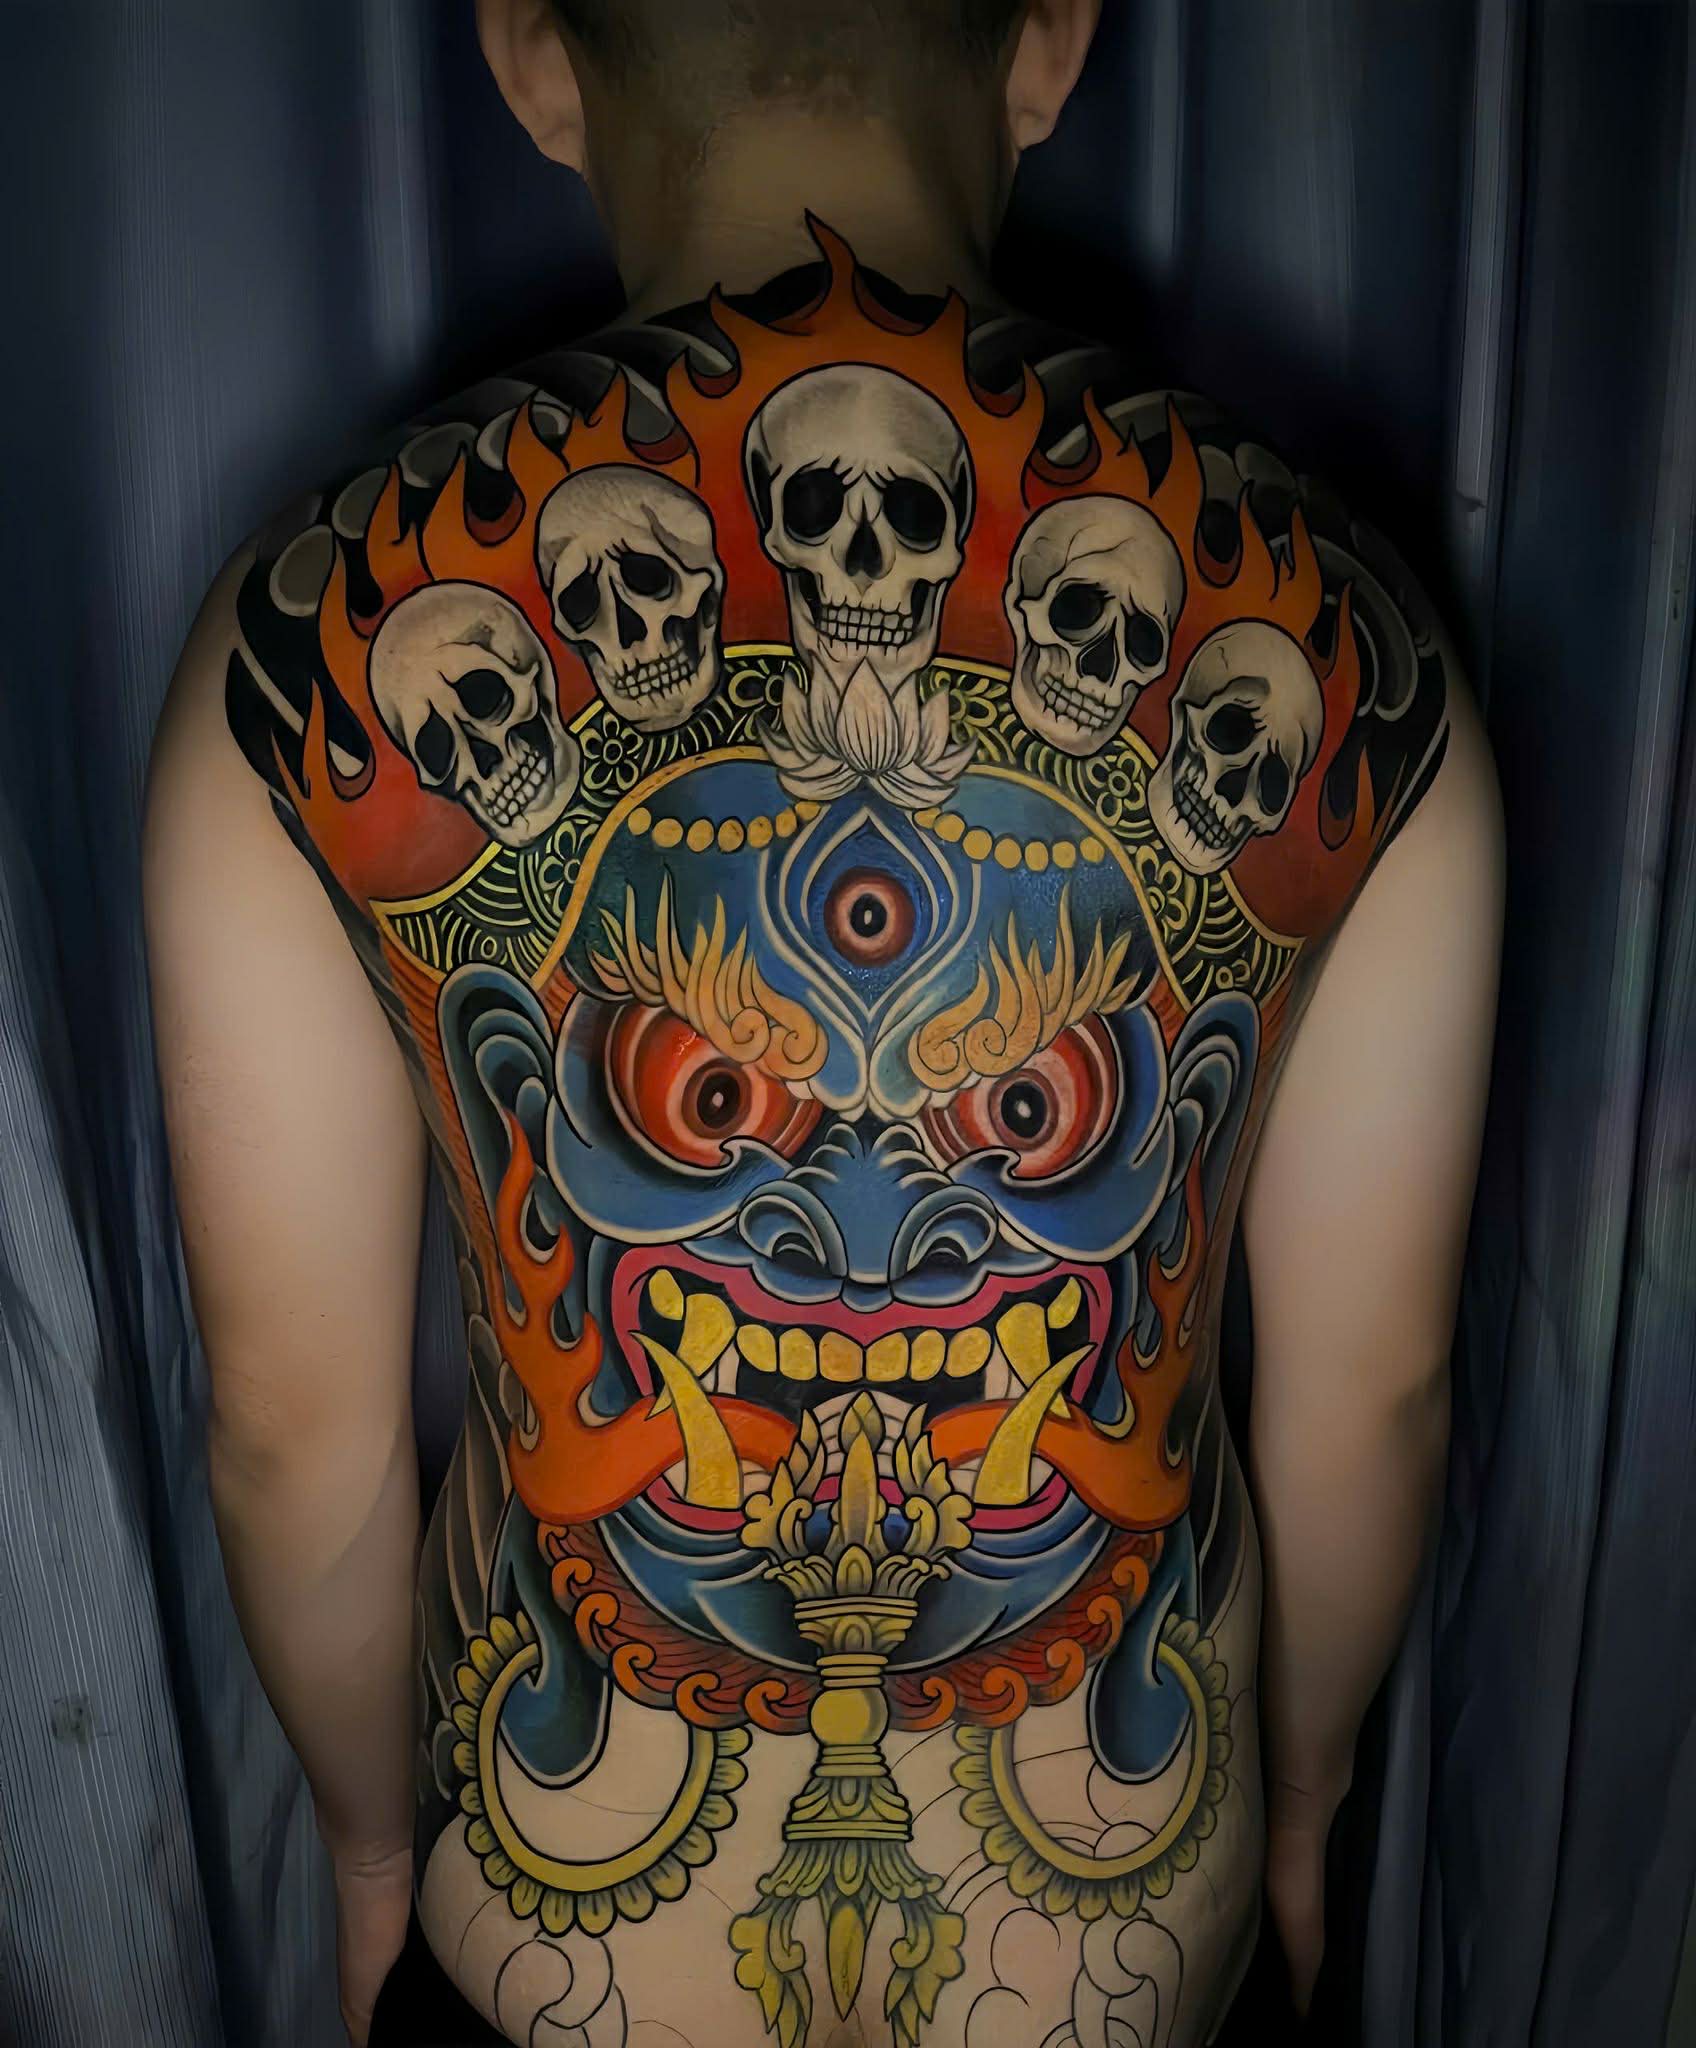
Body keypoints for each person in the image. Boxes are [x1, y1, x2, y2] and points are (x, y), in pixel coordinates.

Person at [143, 3, 1503, 2043]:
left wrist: (361, 1851)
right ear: (1047, 45)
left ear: (532, 60)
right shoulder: (1351, 655)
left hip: (548, 1949)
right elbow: (1371, 1397)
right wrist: (1302, 1807)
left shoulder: (303, 661)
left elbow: (289, 1434)